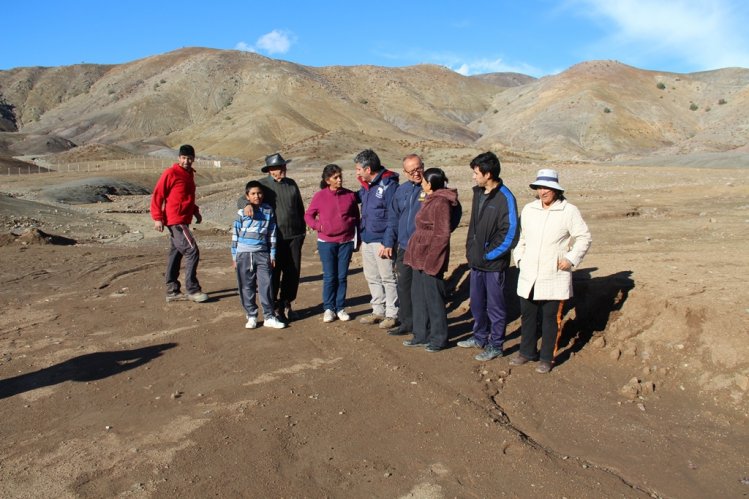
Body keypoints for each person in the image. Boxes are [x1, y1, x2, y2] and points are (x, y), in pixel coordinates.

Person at [510, 169, 591, 373]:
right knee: (528, 315)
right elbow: (522, 238)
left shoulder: (568, 211)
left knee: (550, 318)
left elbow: (584, 237)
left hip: (554, 274)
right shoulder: (529, 209)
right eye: (540, 187)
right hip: (529, 272)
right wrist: (519, 258)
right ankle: (526, 352)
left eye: (547, 187)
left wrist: (571, 259)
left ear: (556, 190)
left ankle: (547, 357)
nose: (543, 191)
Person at [383, 154, 462, 337]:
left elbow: (453, 213)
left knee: (423, 291)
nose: (416, 174)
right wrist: (389, 242)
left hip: (424, 249)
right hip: (404, 246)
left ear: (423, 167)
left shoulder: (434, 189)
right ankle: (407, 322)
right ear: (405, 172)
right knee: (404, 286)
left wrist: (440, 234)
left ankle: (425, 328)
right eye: (411, 171)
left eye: (419, 169)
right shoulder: (401, 191)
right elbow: (393, 218)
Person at [458, 151, 519, 361]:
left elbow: (510, 233)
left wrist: (488, 255)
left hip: (493, 265)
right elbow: (474, 228)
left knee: (495, 307)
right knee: (477, 303)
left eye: (476, 173)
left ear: (488, 174)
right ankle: (479, 337)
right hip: (476, 262)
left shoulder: (506, 198)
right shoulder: (478, 193)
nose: (474, 177)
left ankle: (496, 345)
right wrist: (471, 250)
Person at [238, 153, 305, 323]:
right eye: (277, 167)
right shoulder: (263, 185)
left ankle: (287, 303)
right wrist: (246, 205)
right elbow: (242, 198)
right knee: (273, 273)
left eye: (283, 166)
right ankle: (274, 306)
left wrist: (302, 231)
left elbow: (299, 208)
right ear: (269, 170)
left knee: (293, 272)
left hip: (295, 236)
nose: (282, 170)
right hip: (274, 238)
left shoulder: (291, 184)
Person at [402, 168, 460, 352]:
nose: (422, 183)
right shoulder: (429, 199)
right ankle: (421, 334)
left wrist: (433, 259)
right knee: (418, 296)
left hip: (430, 257)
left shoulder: (441, 202)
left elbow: (442, 234)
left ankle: (438, 338)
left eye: (425, 181)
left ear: (431, 184)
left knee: (434, 299)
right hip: (419, 254)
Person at [150, 144, 208, 303]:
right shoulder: (171, 173)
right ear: (178, 158)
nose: (186, 161)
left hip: (184, 219)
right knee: (191, 250)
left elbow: (185, 197)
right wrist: (157, 217)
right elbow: (158, 195)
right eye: (183, 157)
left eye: (189, 158)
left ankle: (172, 290)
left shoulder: (189, 175)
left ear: (193, 159)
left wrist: (195, 210)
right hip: (175, 220)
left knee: (176, 252)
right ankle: (193, 289)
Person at [304, 164, 360, 323]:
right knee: (330, 277)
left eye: (340, 176)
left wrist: (357, 239)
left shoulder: (349, 195)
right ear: (328, 180)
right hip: (326, 243)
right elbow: (308, 216)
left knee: (342, 277)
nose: (340, 179)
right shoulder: (319, 196)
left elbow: (356, 218)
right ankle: (329, 308)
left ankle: (340, 307)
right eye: (336, 177)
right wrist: (318, 226)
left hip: (346, 242)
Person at [354, 149, 400, 329]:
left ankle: (392, 313)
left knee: (388, 277)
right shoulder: (366, 186)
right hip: (367, 237)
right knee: (372, 277)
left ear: (368, 168)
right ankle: (378, 310)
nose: (357, 172)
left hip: (382, 240)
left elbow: (393, 215)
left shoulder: (388, 185)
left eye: (358, 169)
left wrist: (388, 241)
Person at [232, 181, 286, 329]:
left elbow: (272, 234)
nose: (257, 196)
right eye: (253, 194)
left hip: (262, 254)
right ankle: (251, 316)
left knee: (266, 285)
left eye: (259, 193)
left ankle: (269, 316)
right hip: (243, 254)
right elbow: (235, 235)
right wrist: (234, 256)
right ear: (247, 196)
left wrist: (272, 254)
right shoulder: (241, 212)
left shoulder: (268, 211)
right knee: (246, 286)